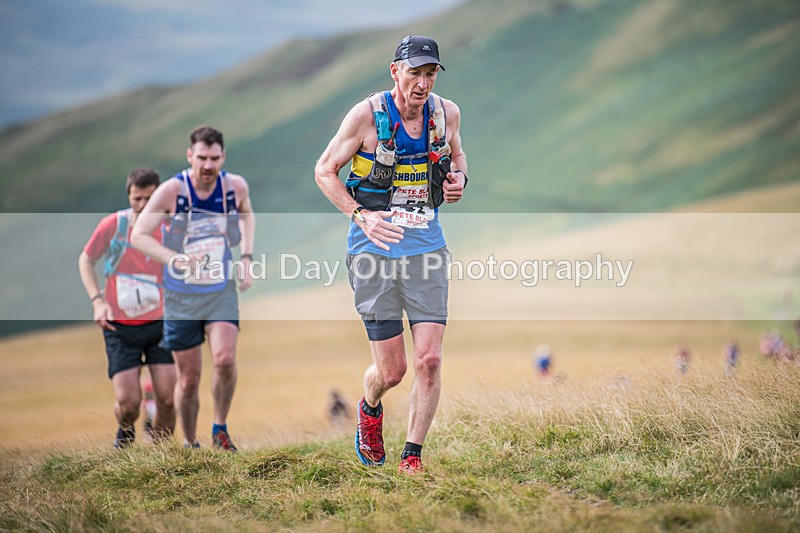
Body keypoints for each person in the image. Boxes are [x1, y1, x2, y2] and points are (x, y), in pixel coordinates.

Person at [314, 36, 468, 474]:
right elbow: (324, 171)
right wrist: (361, 214)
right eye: (415, 72)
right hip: (373, 253)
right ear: (395, 71)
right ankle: (369, 408)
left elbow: (458, 157)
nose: (422, 83)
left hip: (427, 251)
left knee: (430, 361)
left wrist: (459, 180)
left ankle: (412, 456)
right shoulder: (366, 117)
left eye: (430, 73)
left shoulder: (446, 113)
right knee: (394, 371)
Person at [131, 125, 256, 451]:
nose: (208, 165)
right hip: (181, 297)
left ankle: (220, 428)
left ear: (223, 156)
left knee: (225, 359)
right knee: (188, 380)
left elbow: (247, 215)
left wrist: (245, 256)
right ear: (190, 156)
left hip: (219, 290)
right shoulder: (172, 191)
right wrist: (174, 259)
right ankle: (189, 442)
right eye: (201, 157)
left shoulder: (234, 186)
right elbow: (139, 234)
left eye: (214, 158)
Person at [78, 167, 177, 448]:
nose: (143, 205)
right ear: (129, 197)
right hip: (120, 326)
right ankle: (125, 429)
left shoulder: (171, 228)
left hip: (162, 322)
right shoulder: (113, 225)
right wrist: (97, 301)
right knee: (129, 402)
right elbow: (86, 260)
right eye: (137, 199)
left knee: (168, 399)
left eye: (149, 198)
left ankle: (160, 458)